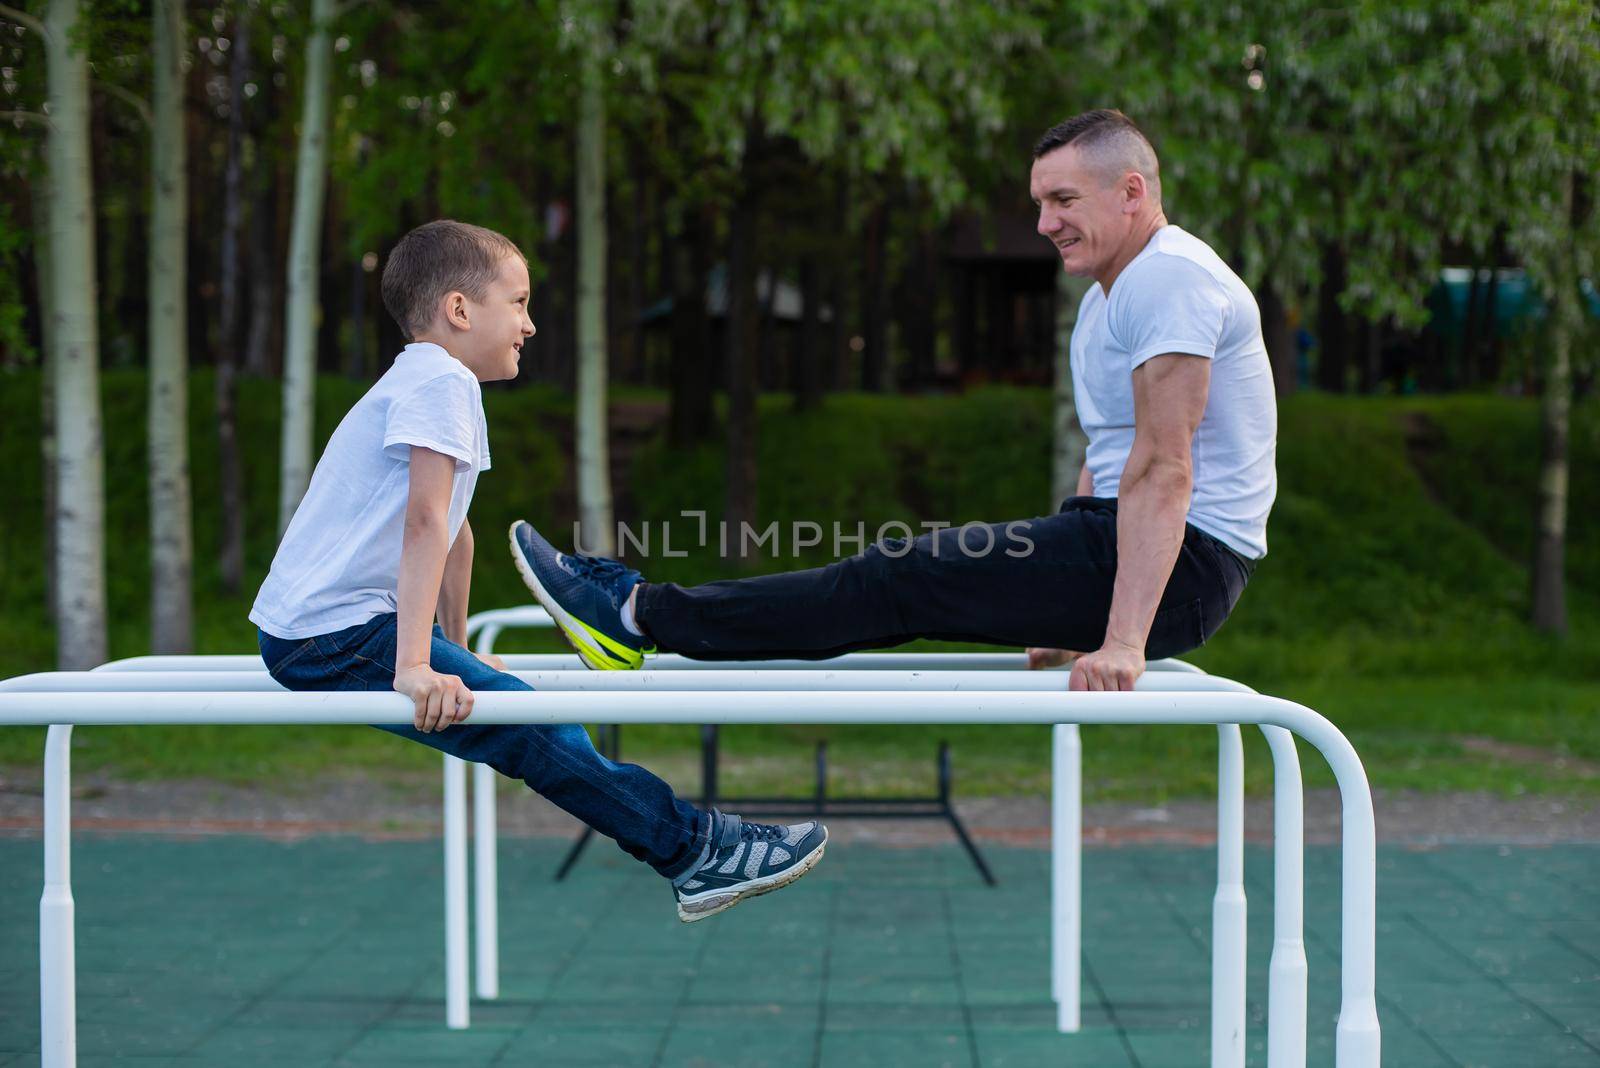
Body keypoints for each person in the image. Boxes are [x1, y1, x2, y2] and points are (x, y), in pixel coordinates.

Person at [510, 108, 1276, 692]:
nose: (1046, 224)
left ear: (1132, 192)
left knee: (895, 580)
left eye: (1063, 200)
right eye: (1040, 203)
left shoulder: (1171, 278)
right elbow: (1109, 459)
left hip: (1187, 567)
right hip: (1119, 547)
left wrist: (1124, 638)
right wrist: (1064, 613)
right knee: (894, 578)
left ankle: (636, 615)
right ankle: (638, 608)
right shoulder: (1111, 299)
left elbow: (1163, 469)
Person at [250, 220, 827, 922]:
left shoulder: (433, 381)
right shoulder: (439, 381)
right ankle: (695, 852)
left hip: (335, 627)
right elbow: (425, 524)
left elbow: (457, 531)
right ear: (459, 310)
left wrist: (450, 651)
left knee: (526, 721)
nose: (528, 325)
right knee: (536, 729)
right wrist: (413, 666)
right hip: (330, 632)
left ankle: (693, 849)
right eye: (517, 303)